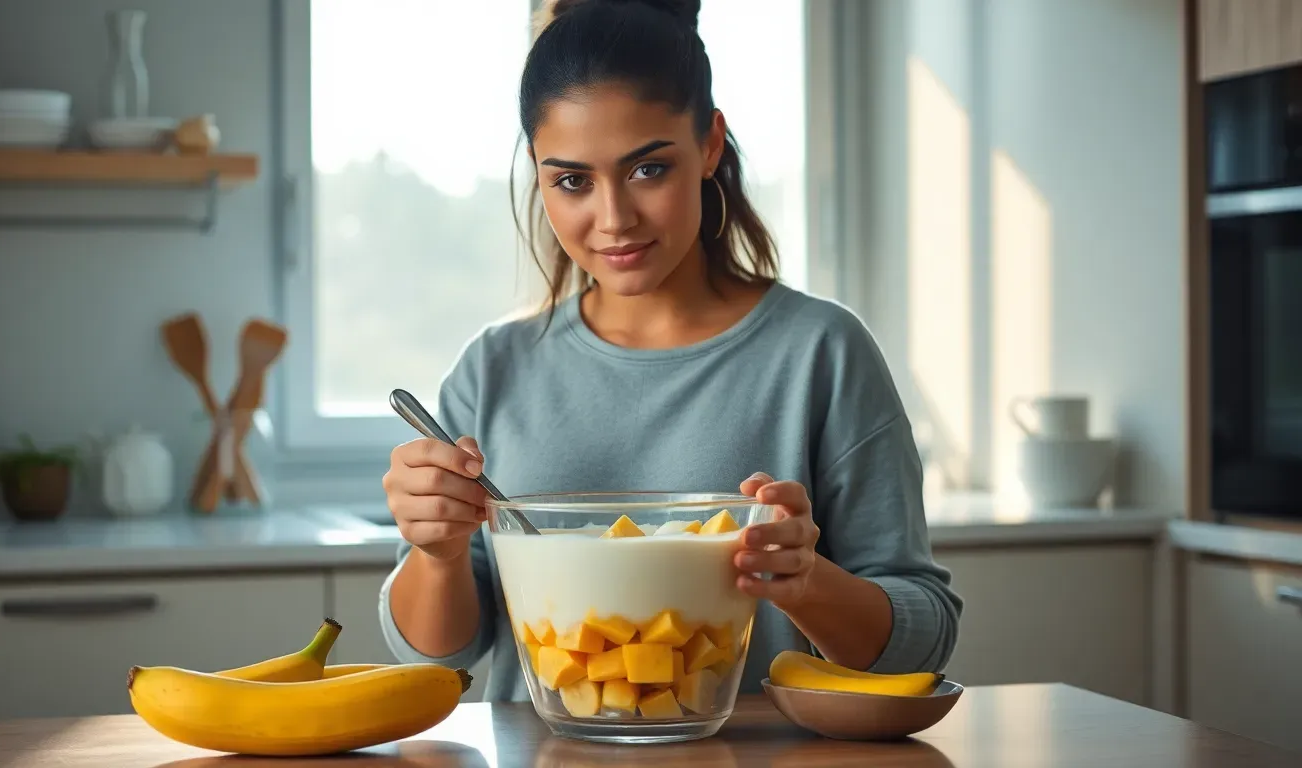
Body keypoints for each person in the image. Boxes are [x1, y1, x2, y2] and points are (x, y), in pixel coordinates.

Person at [379, 0, 962, 702]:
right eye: (572, 181)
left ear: (710, 144)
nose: (614, 218)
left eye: (648, 170)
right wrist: (435, 554)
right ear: (537, 172)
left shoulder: (820, 353)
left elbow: (922, 639)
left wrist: (807, 583)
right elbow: (446, 655)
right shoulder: (492, 369)